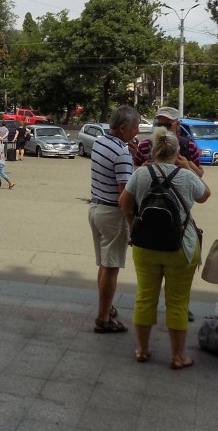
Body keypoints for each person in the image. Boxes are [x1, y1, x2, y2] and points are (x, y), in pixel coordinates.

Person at [119, 127, 210, 366]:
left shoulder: (140, 174)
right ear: (176, 151)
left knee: (145, 297)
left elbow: (125, 204)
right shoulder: (186, 175)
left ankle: (142, 349)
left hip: (145, 245)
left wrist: (133, 228)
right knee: (178, 302)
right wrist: (188, 166)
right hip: (181, 246)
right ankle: (178, 356)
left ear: (153, 151)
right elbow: (205, 195)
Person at [87, 105, 140, 334]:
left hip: (96, 208)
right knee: (111, 268)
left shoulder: (100, 141)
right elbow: (124, 197)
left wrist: (132, 157)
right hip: (112, 215)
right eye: (136, 128)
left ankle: (106, 306)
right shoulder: (122, 154)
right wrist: (132, 226)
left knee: (104, 265)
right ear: (123, 128)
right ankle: (103, 318)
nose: (137, 132)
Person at [135, 106, 203, 178]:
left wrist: (188, 168)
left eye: (167, 125)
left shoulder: (189, 147)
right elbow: (132, 169)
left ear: (178, 125)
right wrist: (143, 168)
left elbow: (200, 173)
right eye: (159, 125)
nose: (163, 128)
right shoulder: (144, 146)